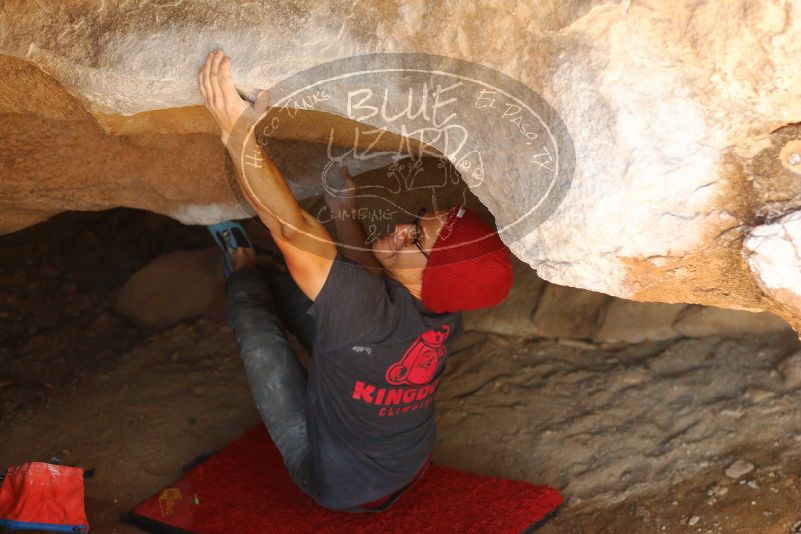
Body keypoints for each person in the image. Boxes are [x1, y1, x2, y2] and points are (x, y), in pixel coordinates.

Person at [198, 49, 514, 512]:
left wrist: (235, 127)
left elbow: (290, 228)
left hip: (341, 487)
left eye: (414, 238)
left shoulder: (365, 319)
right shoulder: (445, 316)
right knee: (311, 299)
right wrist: (344, 208)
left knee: (259, 331)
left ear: (431, 278)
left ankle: (242, 265)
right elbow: (365, 282)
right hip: (410, 458)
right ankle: (265, 272)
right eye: (419, 218)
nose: (403, 227)